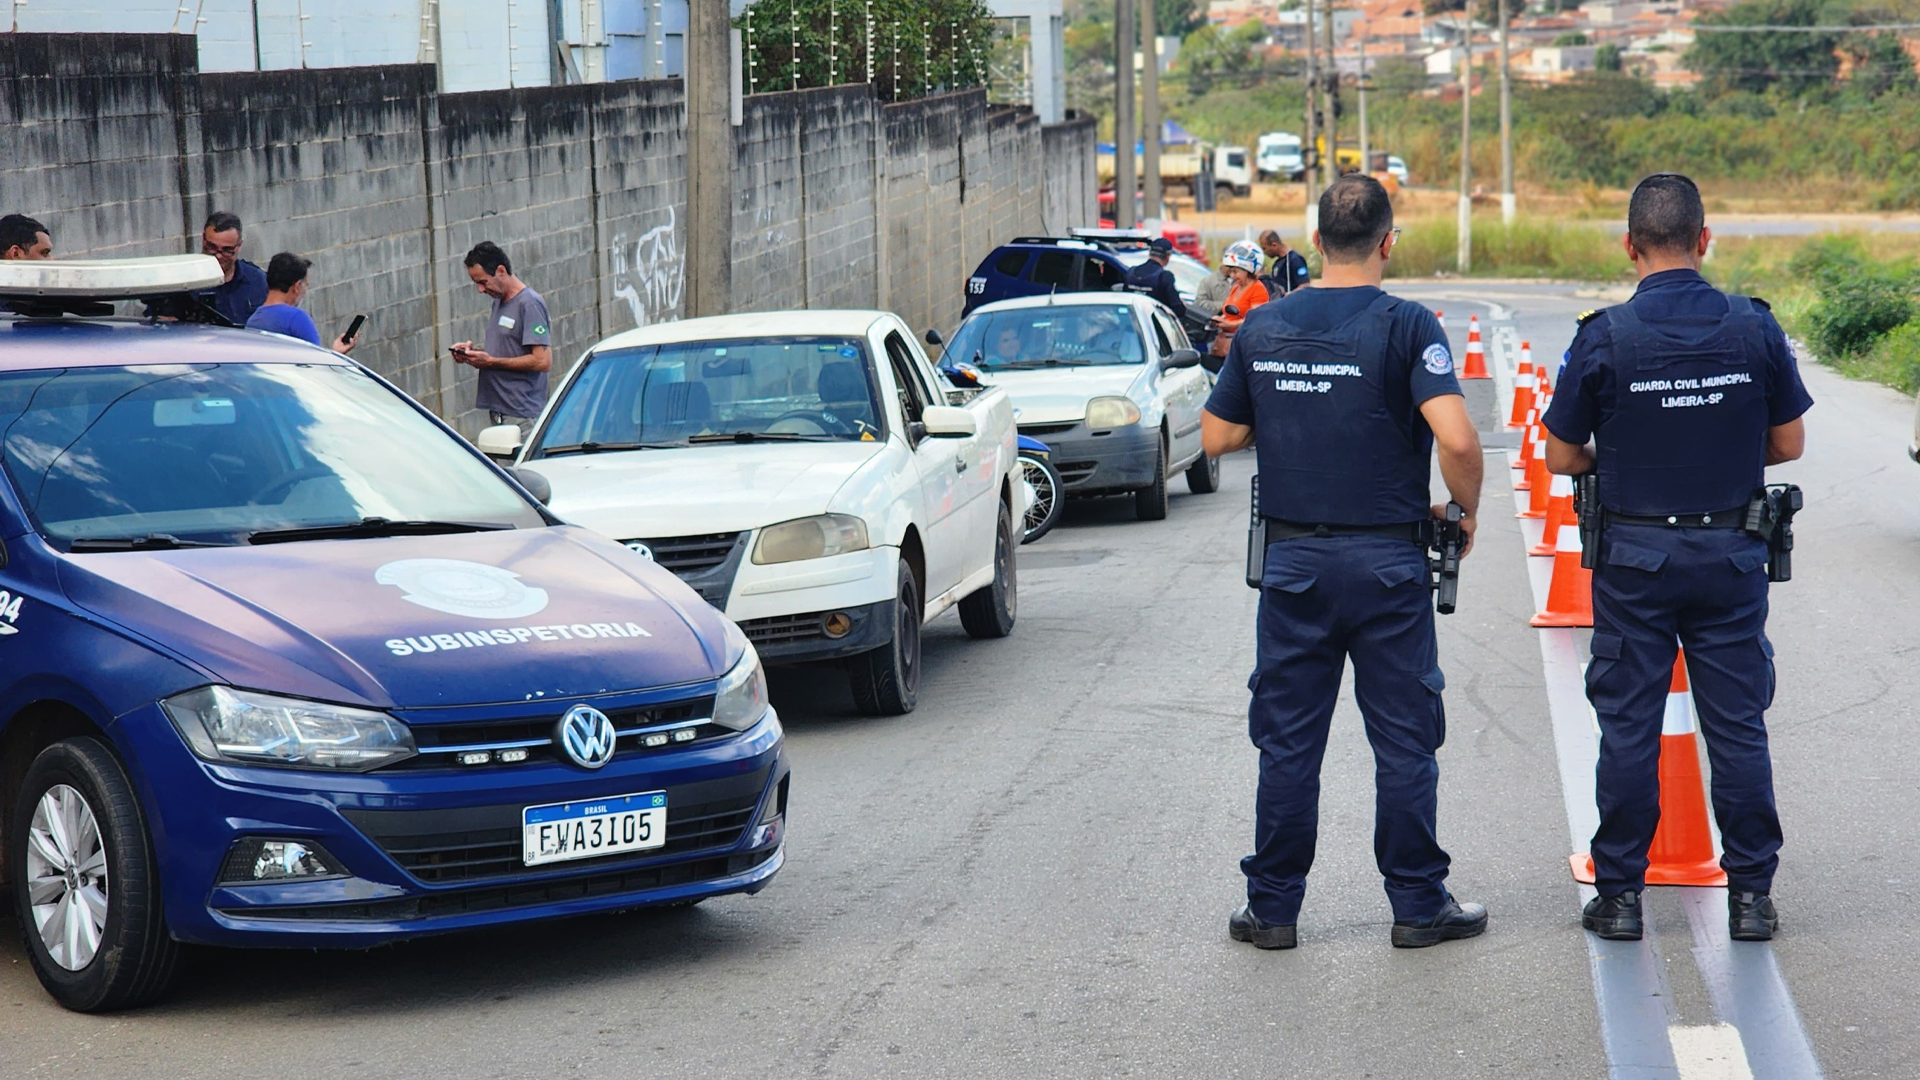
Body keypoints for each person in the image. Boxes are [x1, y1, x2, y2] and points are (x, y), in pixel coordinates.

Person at [1201, 175, 1487, 950]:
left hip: (1295, 563)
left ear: (1316, 240)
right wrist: (1463, 513)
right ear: (1388, 243)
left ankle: (1273, 910)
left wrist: (1290, 415)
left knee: (1289, 741)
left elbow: (1217, 439)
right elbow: (1459, 441)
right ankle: (1418, 906)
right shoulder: (1406, 326)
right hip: (1389, 566)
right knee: (1403, 740)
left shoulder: (1265, 327)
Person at [1543, 173, 1811, 943]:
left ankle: (1621, 897)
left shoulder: (1605, 336)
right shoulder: (1753, 328)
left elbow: (1562, 456)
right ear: (1705, 239)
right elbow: (1788, 444)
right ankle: (1752, 898)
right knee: (1738, 728)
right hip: (1731, 554)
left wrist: (1622, 450)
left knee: (1628, 727)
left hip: (1636, 559)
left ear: (1630, 247)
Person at [454, 241, 553, 434]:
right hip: (499, 411)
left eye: (483, 282)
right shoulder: (499, 303)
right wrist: (472, 354)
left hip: (522, 416)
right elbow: (506, 351)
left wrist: (491, 362)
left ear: (500, 271)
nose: (480, 290)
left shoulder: (530, 304)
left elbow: (543, 361)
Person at [245, 252, 357, 353]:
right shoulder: (296, 318)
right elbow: (317, 365)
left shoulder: (252, 321)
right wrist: (336, 354)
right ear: (297, 286)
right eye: (306, 285)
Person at [195, 211, 268, 326]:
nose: (218, 256)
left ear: (239, 245)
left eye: (227, 250)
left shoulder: (257, 280)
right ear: (204, 239)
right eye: (212, 248)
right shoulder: (186, 283)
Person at [1208, 241, 1270, 354]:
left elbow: (1256, 319)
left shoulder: (1257, 289)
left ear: (1248, 270)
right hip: (1228, 342)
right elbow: (1229, 313)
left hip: (1246, 345)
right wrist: (1220, 320)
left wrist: (1230, 325)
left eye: (1236, 272)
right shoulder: (1236, 287)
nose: (1232, 276)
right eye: (1231, 272)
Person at [1124, 237, 1187, 321]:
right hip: (1154, 326)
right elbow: (1178, 309)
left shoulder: (1131, 272)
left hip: (1132, 325)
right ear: (1168, 256)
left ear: (1150, 252)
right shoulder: (1164, 276)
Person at [1258, 229, 1312, 297]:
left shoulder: (1295, 260)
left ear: (1274, 245)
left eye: (1264, 248)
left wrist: (1288, 296)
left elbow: (1305, 285)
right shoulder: (1277, 263)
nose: (1264, 252)